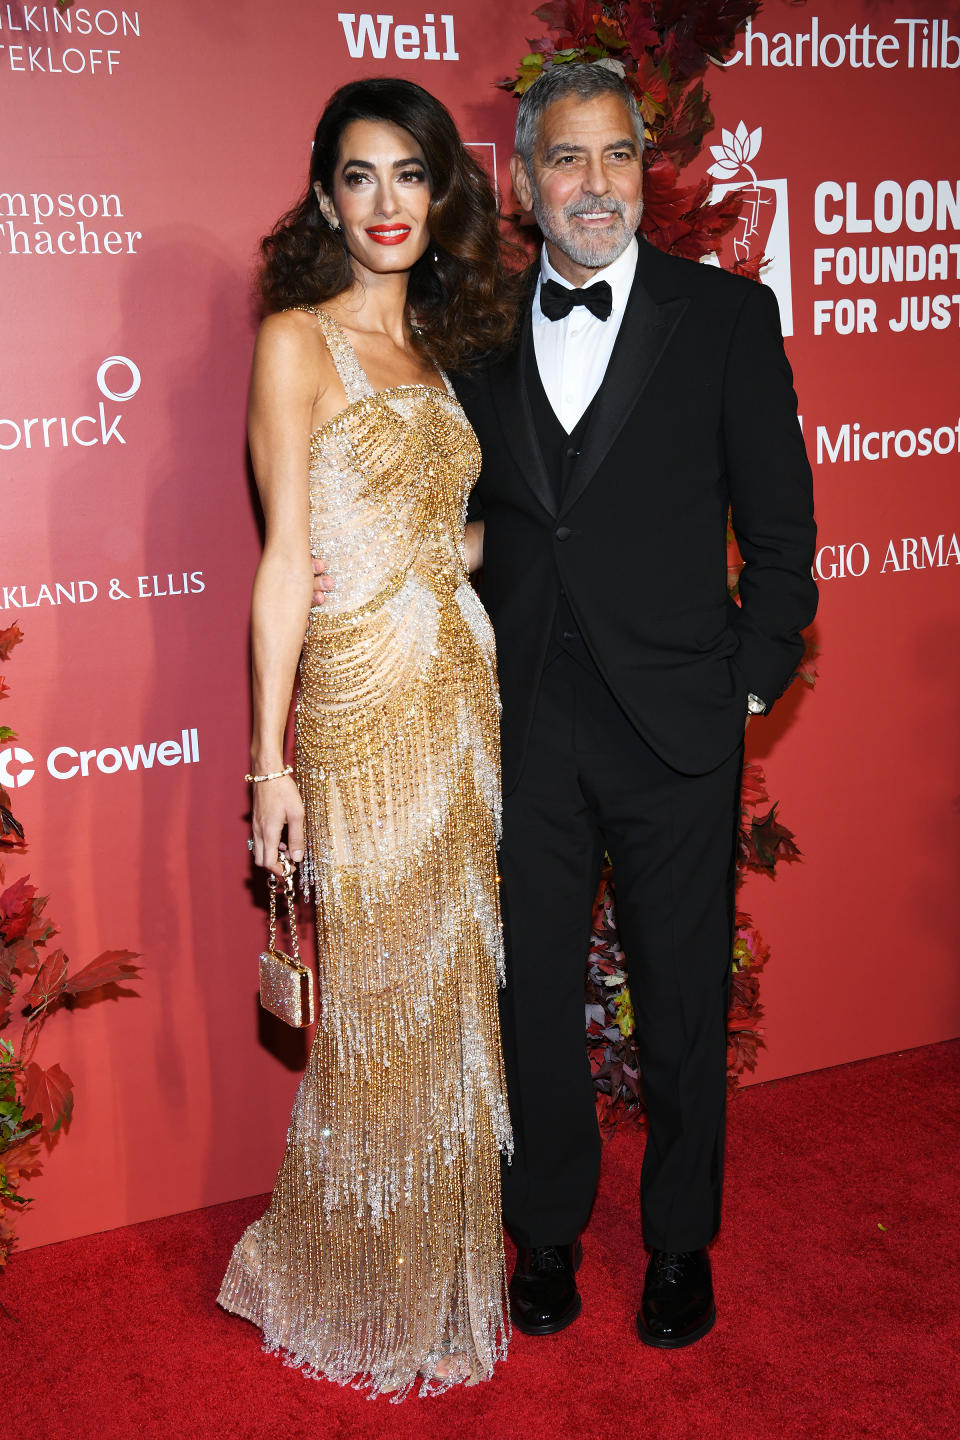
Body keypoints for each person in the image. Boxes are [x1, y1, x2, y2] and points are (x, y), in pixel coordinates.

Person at [319, 61, 816, 1348]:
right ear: (525, 183)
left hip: (677, 727)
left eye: (615, 157)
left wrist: (747, 683)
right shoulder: (472, 337)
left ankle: (679, 1245)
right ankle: (543, 1230)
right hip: (521, 715)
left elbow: (783, 534)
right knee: (529, 992)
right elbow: (449, 511)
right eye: (564, 161)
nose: (592, 184)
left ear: (644, 169)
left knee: (683, 1002)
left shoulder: (725, 319)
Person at [218, 77, 518, 1398]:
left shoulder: (446, 358)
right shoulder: (299, 341)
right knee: (382, 1012)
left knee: (450, 1001)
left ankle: (431, 1274)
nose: (386, 202)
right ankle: (350, 1275)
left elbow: (447, 534)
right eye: (359, 175)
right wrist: (268, 764)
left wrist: (480, 552)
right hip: (361, 707)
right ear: (326, 197)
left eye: (409, 174)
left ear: (440, 192)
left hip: (459, 699)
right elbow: (286, 561)